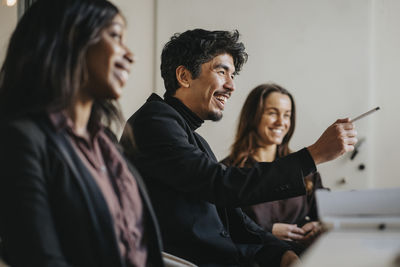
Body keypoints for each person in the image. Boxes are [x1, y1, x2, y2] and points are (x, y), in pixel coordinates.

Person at [120, 29, 357, 267]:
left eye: (232, 75)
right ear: (184, 76)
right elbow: (221, 185)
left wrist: (278, 252)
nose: (231, 85)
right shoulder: (153, 120)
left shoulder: (193, 138)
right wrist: (313, 155)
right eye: (222, 71)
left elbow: (235, 219)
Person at [0, 0, 164, 266]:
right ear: (71, 38)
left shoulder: (107, 144)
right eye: (115, 36)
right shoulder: (22, 141)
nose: (130, 55)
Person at [222, 83, 325, 252]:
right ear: (252, 116)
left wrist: (318, 226)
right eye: (272, 113)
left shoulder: (304, 170)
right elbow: (223, 229)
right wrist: (266, 232)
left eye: (287, 115)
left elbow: (328, 212)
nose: (281, 122)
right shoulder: (226, 172)